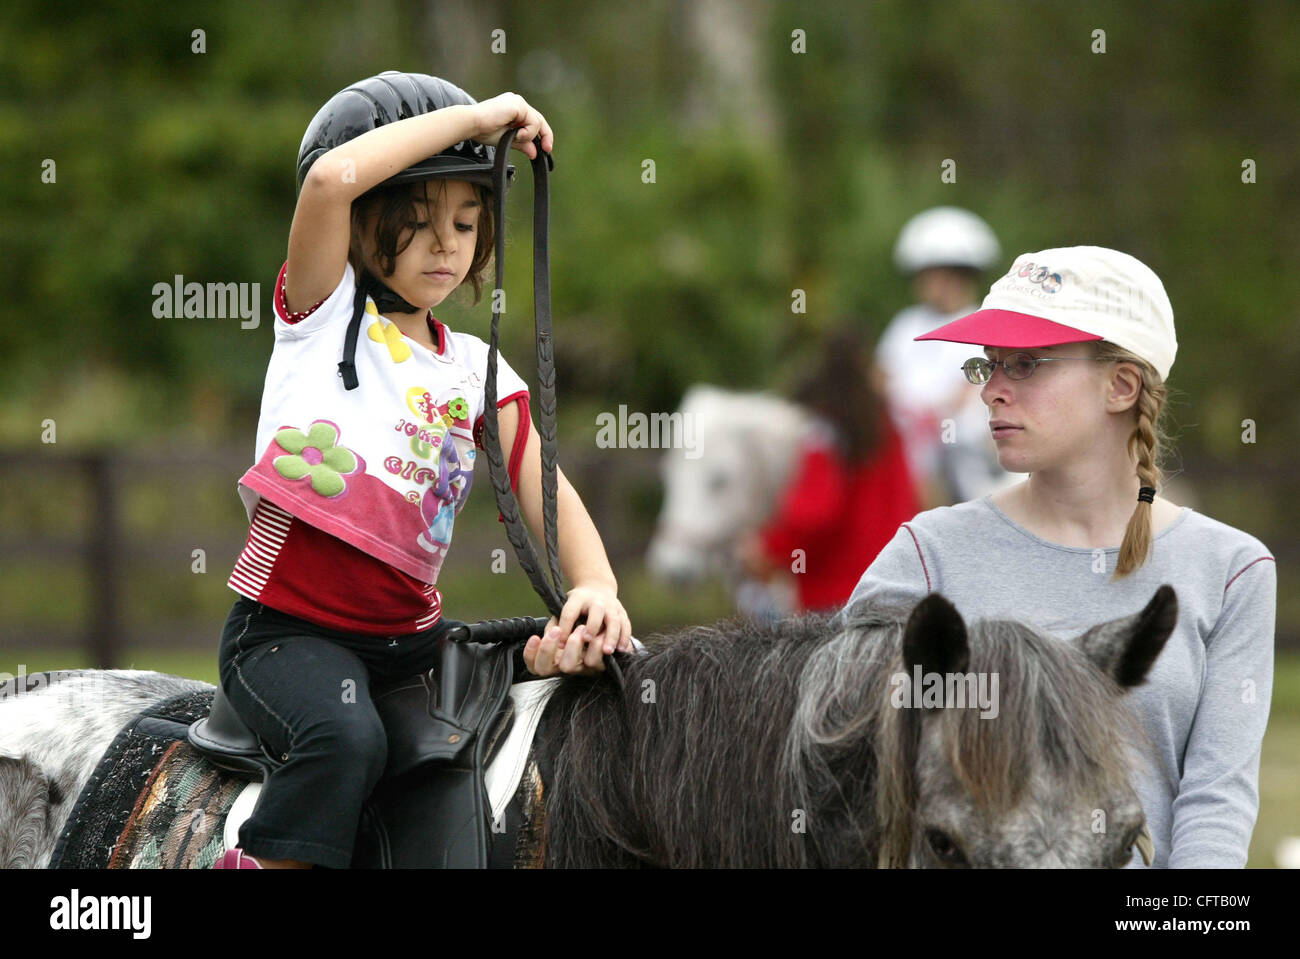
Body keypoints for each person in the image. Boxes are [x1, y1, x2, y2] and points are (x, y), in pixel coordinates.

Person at [212, 72, 632, 870]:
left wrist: (598, 586)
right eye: (418, 221)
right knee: (344, 739)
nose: (448, 243)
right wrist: (475, 119)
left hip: (408, 644)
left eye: (468, 222)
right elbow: (330, 179)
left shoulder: (475, 366)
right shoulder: (321, 312)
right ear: (367, 225)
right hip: (286, 634)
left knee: (560, 695)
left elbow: (542, 480)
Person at [846, 246, 1276, 868]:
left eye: (1023, 364)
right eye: (987, 366)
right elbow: (830, 742)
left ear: (1121, 386)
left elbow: (1215, 799)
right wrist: (648, 670)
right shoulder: (926, 553)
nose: (991, 391)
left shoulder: (1233, 571)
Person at [738, 328, 920, 612]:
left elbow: (814, 512)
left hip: (830, 603)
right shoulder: (888, 428)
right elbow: (910, 503)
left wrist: (767, 549)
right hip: (894, 593)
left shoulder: (824, 432)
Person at [875, 207, 1016, 506]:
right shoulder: (906, 323)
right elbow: (881, 375)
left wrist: (929, 418)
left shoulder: (983, 324)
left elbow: (972, 388)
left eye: (934, 276)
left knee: (953, 458)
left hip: (957, 440)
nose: (926, 284)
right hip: (902, 437)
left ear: (960, 276)